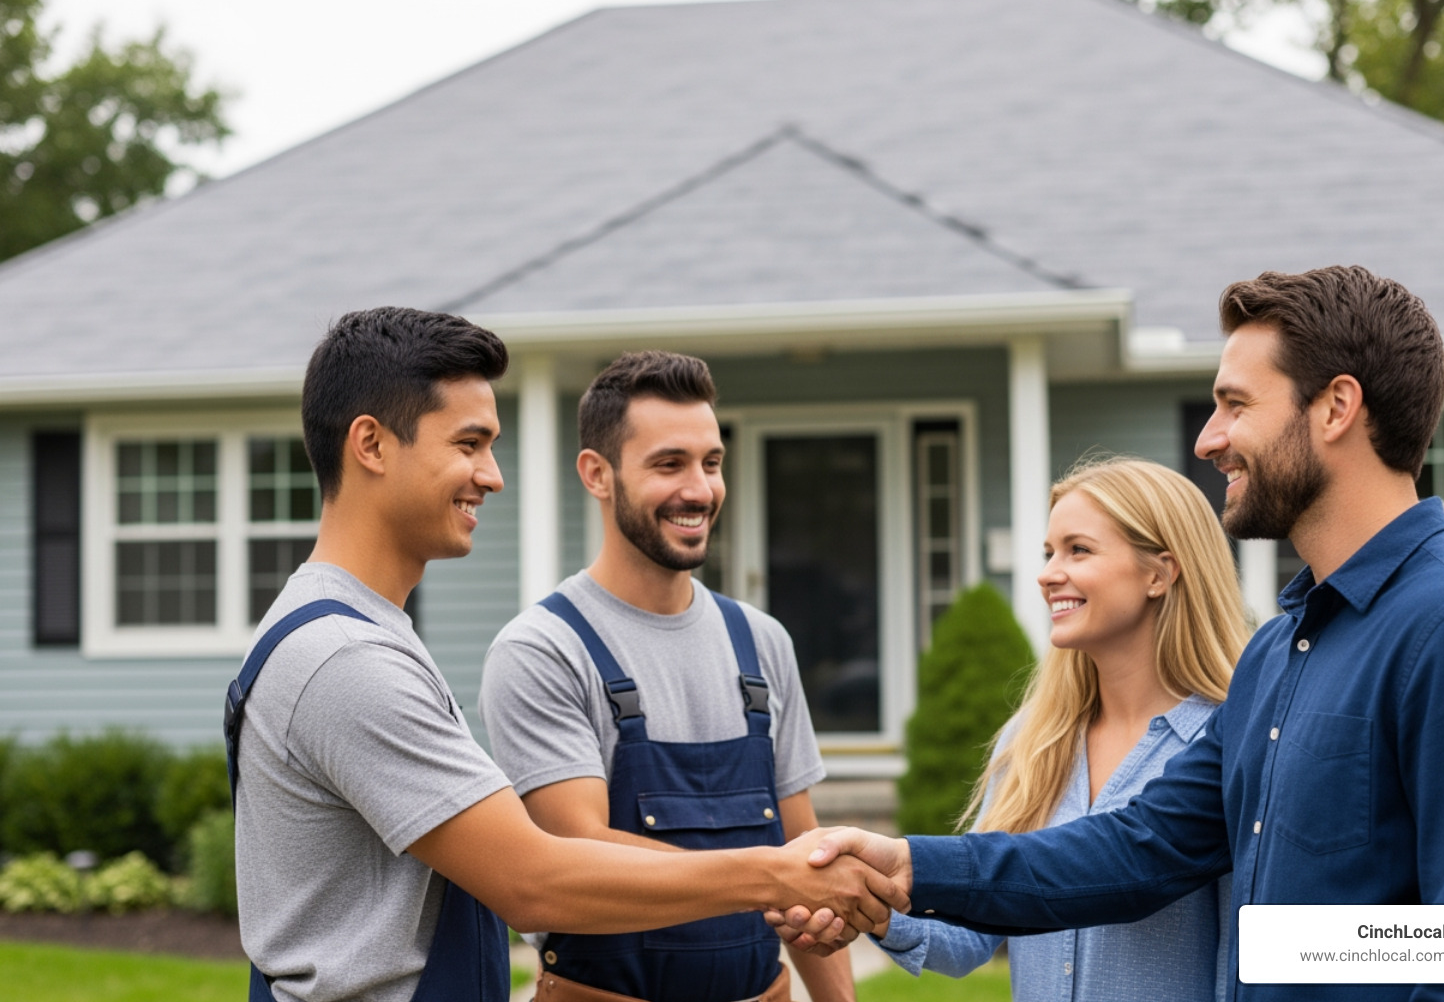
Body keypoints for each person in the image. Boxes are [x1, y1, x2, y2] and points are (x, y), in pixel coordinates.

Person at [784, 266, 1444, 1001]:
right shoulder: (1278, 655)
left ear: (1336, 407)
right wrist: (909, 866)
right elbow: (1136, 849)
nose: (1210, 440)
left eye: (1235, 405)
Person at [227, 309, 901, 1002]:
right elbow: (534, 881)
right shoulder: (346, 659)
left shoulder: (365, 634)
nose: (491, 476)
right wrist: (777, 876)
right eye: (469, 443)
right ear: (370, 443)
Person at [479, 350, 854, 1002]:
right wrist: (772, 878)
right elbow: (577, 861)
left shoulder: (762, 645)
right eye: (669, 464)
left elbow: (804, 853)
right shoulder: (543, 651)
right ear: (597, 474)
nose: (700, 489)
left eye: (711, 463)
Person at [874, 457, 1246, 1001]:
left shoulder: (1230, 743)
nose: (1048, 573)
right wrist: (871, 905)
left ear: (1159, 573)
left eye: (1079, 550)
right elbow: (972, 933)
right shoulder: (1032, 739)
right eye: (1049, 552)